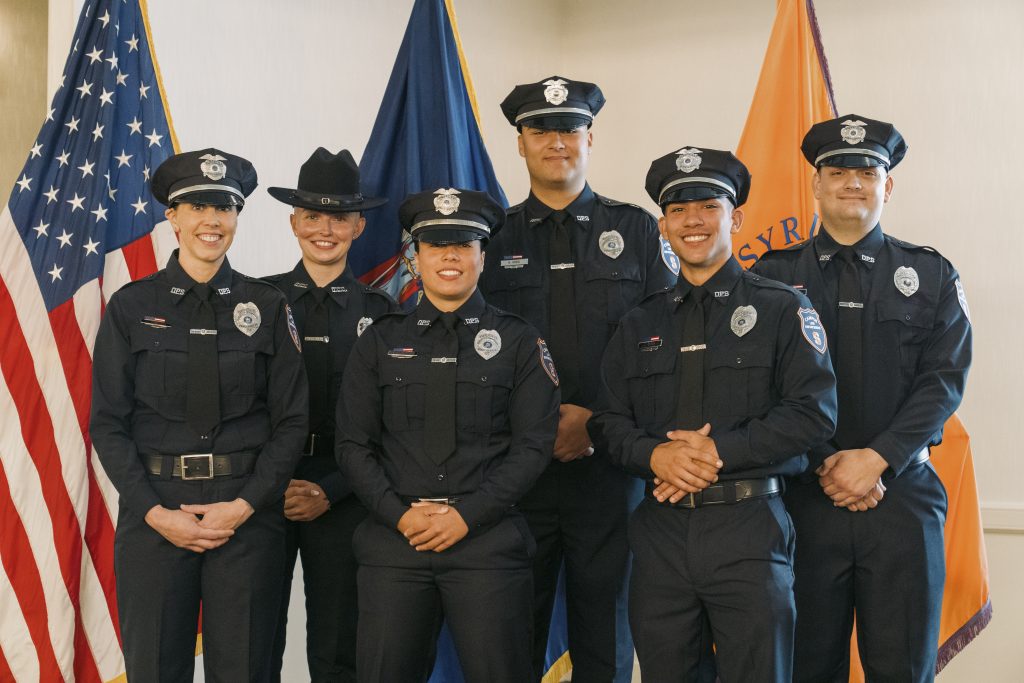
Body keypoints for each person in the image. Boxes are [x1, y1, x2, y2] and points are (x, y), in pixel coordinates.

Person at [588, 146, 838, 682]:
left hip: (748, 527)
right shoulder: (638, 323)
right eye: (678, 209)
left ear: (736, 217)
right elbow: (607, 424)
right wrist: (656, 454)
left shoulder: (781, 308)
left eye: (708, 205)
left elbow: (814, 414)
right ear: (663, 224)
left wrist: (717, 452)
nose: (693, 221)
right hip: (661, 531)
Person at [752, 115, 972, 682]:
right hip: (803, 497)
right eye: (839, 170)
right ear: (817, 185)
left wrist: (875, 459)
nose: (854, 181)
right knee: (804, 667)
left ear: (887, 186)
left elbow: (944, 380)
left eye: (867, 171)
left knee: (903, 668)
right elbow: (759, 383)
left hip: (902, 500)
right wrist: (830, 461)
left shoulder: (931, 274)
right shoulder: (771, 280)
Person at [479, 75, 676, 682]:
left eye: (569, 129)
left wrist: (595, 420)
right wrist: (540, 429)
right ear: (521, 143)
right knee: (511, 636)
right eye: (541, 129)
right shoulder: (491, 237)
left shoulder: (641, 231)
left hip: (610, 469)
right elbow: (474, 354)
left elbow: (663, 345)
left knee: (606, 635)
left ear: (590, 137)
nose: (556, 142)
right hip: (517, 471)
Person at [90, 148, 308, 682]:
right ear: (173, 217)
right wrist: (154, 512)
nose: (212, 220)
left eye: (225, 207)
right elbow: (108, 423)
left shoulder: (270, 306)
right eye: (197, 206)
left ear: (237, 217)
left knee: (246, 670)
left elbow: (292, 422)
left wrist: (244, 505)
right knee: (156, 670)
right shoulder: (131, 306)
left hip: (247, 516)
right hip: (156, 514)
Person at [336, 188, 560, 682]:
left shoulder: (520, 341)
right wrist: (399, 517)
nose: (450, 257)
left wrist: (466, 516)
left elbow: (532, 447)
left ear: (483, 254)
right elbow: (352, 445)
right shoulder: (379, 341)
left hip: (487, 541)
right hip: (396, 543)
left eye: (463, 244)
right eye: (436, 245)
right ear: (416, 257)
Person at [263, 148, 395, 682]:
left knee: (340, 650)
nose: (325, 228)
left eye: (339, 216)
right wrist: (273, 483)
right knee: (251, 641)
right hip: (264, 491)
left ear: (359, 226)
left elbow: (391, 423)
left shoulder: (384, 317)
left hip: (346, 494)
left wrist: (333, 489)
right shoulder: (258, 303)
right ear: (294, 221)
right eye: (313, 215)